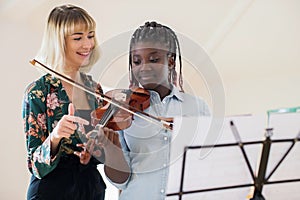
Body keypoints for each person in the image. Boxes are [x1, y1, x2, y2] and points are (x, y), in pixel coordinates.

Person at [22, 4, 129, 200]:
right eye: (78, 38)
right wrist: (55, 137)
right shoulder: (37, 92)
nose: (88, 44)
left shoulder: (95, 90)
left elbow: (101, 154)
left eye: (91, 35)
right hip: (51, 191)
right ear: (59, 42)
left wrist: (99, 148)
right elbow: (34, 165)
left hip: (91, 188)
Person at [107, 21, 211, 199]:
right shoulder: (124, 111)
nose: (144, 67)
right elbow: (121, 181)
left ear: (170, 61)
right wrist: (110, 149)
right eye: (137, 61)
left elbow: (208, 165)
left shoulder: (197, 107)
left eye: (154, 59)